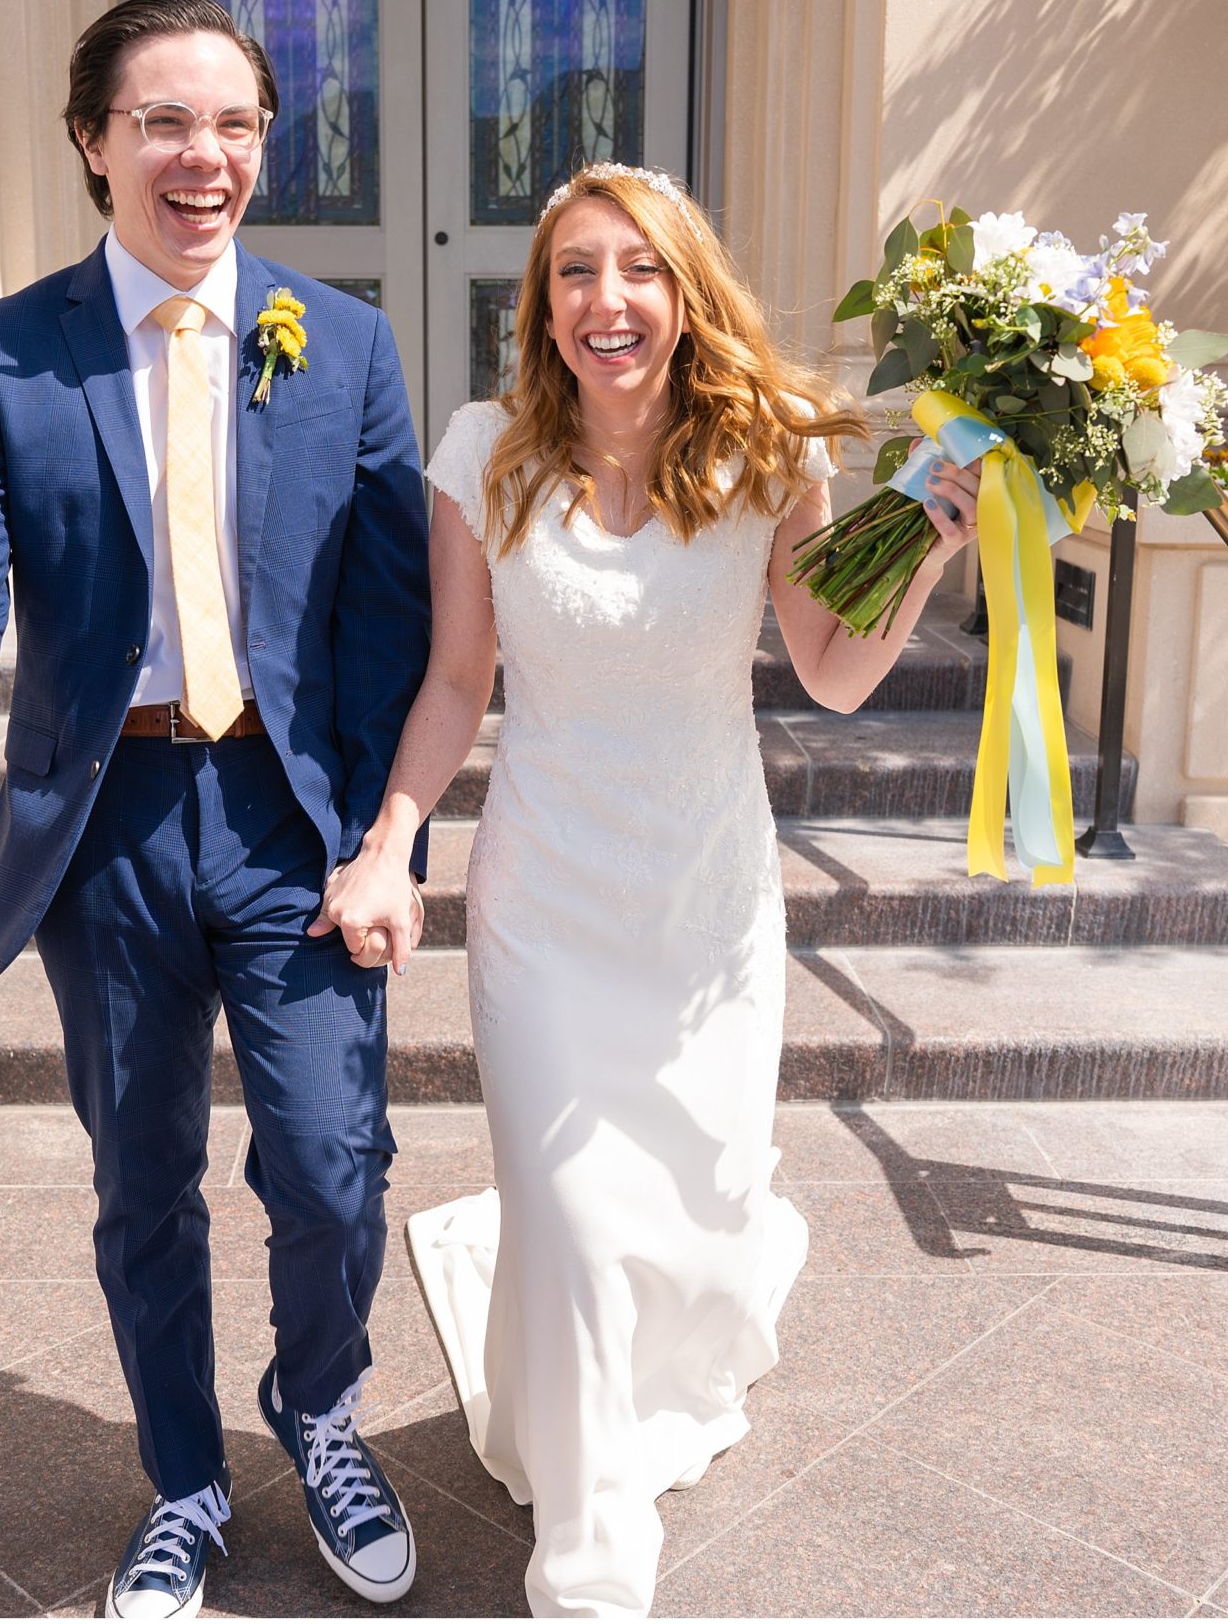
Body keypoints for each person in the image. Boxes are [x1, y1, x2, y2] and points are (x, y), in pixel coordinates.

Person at [317, 162, 984, 1616]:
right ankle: (592, 1564)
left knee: (680, 1209)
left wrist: (922, 556)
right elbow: (453, 679)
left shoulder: (773, 454)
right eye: (573, 272)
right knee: (566, 1212)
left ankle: (634, 1382)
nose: (603, 301)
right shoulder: (481, 451)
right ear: (540, 301)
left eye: (636, 271)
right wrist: (391, 843)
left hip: (706, 905)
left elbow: (833, 672)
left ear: (687, 296)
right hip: (546, 905)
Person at [0, 0, 432, 1621]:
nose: (207, 157)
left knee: (332, 1166)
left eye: (237, 125)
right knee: (143, 1173)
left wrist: (392, 836)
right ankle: (185, 1477)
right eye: (166, 123)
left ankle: (317, 1409)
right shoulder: (2, 353)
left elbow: (389, 618)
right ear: (93, 144)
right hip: (102, 824)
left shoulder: (346, 344)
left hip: (289, 819)